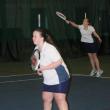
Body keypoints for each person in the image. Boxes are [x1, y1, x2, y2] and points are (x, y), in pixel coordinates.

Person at [32, 28, 70, 110]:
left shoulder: (50, 48)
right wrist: (40, 70)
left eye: (35, 36)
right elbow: (39, 63)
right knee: (46, 99)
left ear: (42, 38)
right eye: (33, 36)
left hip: (60, 77)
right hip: (48, 79)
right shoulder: (36, 49)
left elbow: (59, 62)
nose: (33, 38)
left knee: (60, 100)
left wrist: (44, 68)